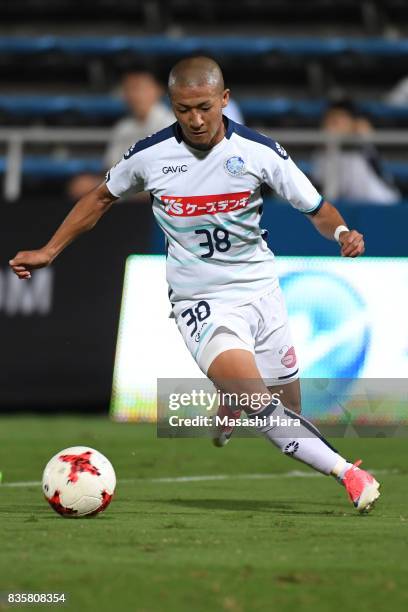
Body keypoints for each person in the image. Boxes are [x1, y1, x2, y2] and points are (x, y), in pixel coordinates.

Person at [9, 56, 380, 514]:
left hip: (262, 295)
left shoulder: (259, 152)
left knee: (290, 410)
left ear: (224, 100)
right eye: (184, 109)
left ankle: (230, 399)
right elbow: (102, 196)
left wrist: (343, 232)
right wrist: (50, 250)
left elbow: (317, 208)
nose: (196, 119)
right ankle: (351, 474)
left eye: (205, 107)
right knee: (263, 410)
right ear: (173, 106)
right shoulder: (152, 155)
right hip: (200, 302)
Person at [312, 99, 400, 204]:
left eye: (337, 119)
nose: (332, 125)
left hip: (382, 205)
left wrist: (365, 138)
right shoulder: (321, 155)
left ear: (354, 122)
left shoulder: (365, 145)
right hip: (349, 208)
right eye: (329, 119)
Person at [104, 69, 175, 169]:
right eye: (128, 89)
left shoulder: (171, 124)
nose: (134, 95)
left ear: (158, 90)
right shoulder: (122, 127)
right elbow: (110, 166)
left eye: (140, 88)